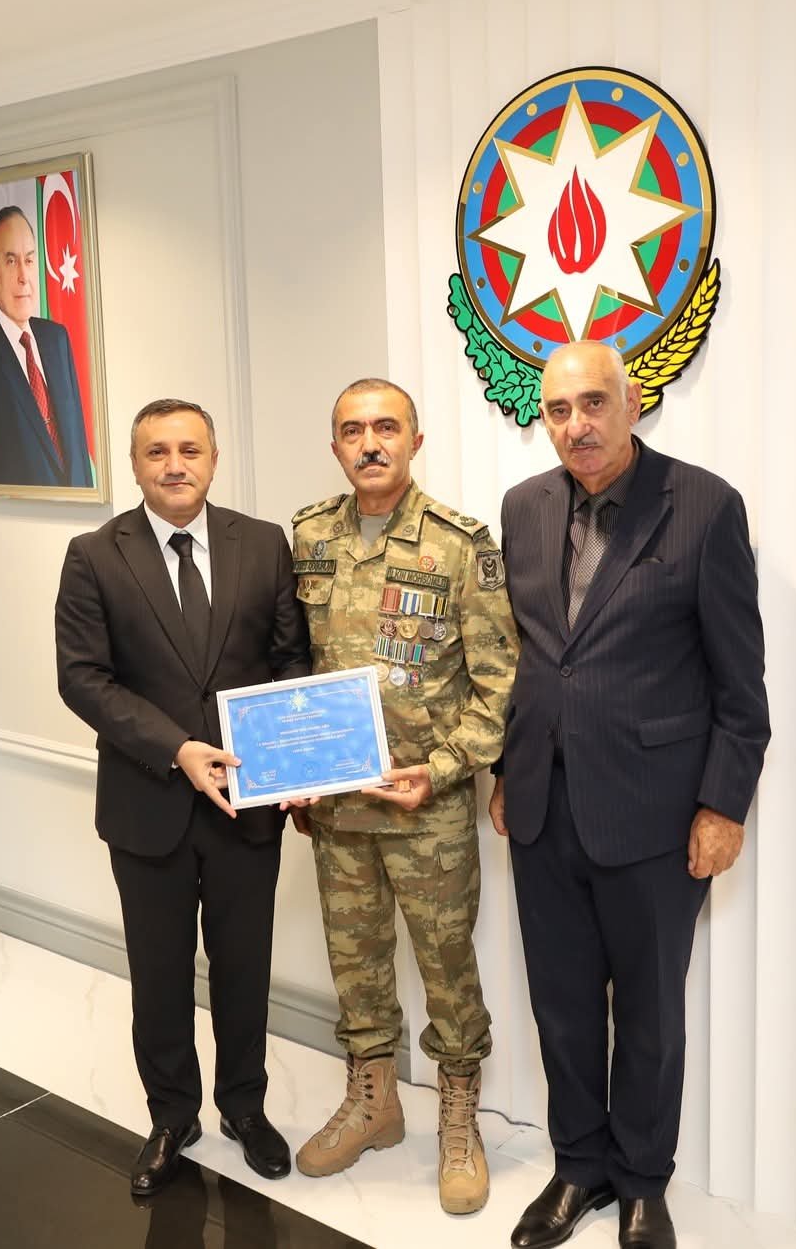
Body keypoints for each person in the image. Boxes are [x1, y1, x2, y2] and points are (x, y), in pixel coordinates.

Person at [493, 342, 769, 1249]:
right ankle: (579, 1167)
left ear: (633, 401)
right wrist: (506, 771)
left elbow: (741, 683)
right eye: (558, 409)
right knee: (562, 1006)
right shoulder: (524, 507)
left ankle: (645, 1180)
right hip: (543, 807)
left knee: (649, 1014)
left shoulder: (704, 506)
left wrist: (723, 805)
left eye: (593, 403)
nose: (576, 424)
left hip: (656, 813)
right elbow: (536, 657)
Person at [54, 397, 306, 1195]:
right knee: (159, 971)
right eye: (157, 451)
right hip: (148, 801)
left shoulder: (262, 544)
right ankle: (172, 1116)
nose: (175, 464)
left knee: (244, 966)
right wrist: (175, 748)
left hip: (246, 803)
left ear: (213, 457)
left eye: (189, 448)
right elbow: (82, 678)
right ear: (134, 465)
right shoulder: (94, 556)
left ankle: (245, 1107)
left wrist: (292, 759)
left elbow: (290, 659)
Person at [287, 378, 518, 1215]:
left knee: (446, 963)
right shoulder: (308, 536)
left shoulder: (461, 545)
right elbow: (290, 662)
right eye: (353, 430)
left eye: (387, 427)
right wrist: (287, 766)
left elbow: (500, 683)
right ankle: (373, 1100)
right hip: (338, 807)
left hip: (428, 808)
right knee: (355, 960)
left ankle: (458, 1117)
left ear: (416, 442)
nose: (370, 443)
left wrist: (447, 766)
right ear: (336, 446)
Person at [0, 205, 94, 489]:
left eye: (29, 260)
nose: (24, 276)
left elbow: (78, 449)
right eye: (11, 261)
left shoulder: (57, 339)